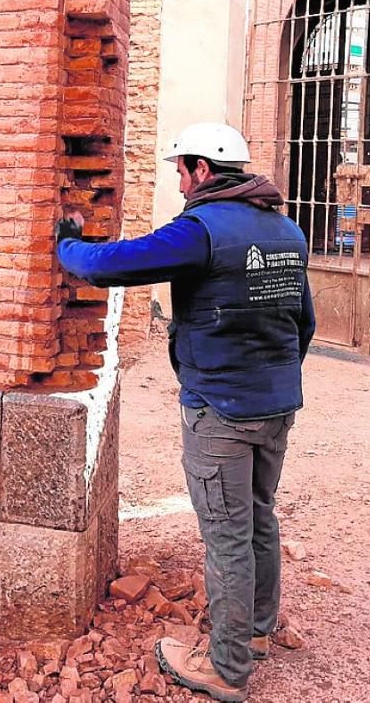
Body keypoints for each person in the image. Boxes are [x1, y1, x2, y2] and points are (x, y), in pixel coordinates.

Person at [55, 123, 315, 703]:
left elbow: (118, 265)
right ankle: (256, 631)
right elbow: (305, 323)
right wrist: (272, 377)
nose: (178, 179)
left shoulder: (203, 230)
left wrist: (67, 246)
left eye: (181, 168)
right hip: (276, 402)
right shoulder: (287, 231)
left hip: (221, 409)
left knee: (226, 535)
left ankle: (226, 668)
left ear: (203, 170)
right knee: (258, 516)